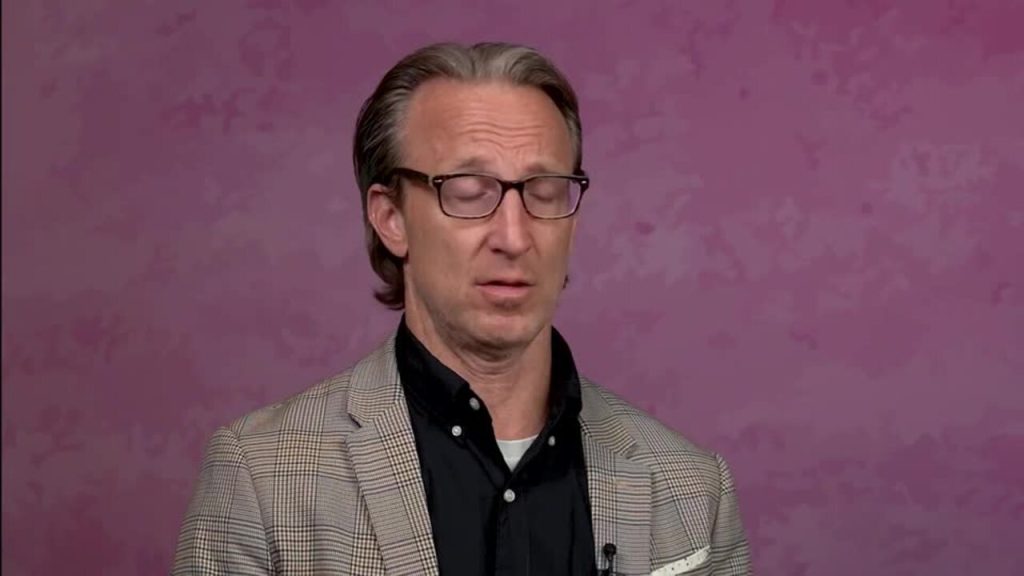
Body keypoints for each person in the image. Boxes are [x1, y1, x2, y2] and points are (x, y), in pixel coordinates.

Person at [173, 41, 751, 576]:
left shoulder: (692, 487)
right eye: (470, 192)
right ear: (391, 218)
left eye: (544, 191)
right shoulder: (262, 477)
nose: (514, 237)